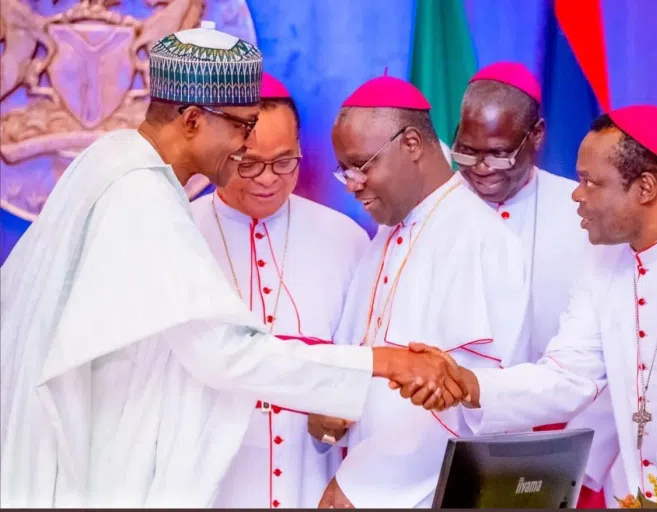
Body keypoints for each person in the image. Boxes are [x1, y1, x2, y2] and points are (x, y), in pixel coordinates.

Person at [0, 26, 465, 508]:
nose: (245, 146)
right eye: (242, 126)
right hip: (107, 457)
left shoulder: (115, 164)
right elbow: (224, 353)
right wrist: (385, 362)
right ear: (194, 120)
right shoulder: (138, 193)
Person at [399, 104, 657, 503]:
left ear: (645, 188)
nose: (576, 194)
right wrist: (468, 384)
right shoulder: (607, 258)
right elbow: (569, 374)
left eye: (591, 182)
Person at [313, 75, 532, 509]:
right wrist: (325, 414)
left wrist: (363, 485)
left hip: (425, 494)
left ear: (411, 143)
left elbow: (465, 400)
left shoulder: (477, 237)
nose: (352, 183)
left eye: (362, 164)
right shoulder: (388, 233)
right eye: (345, 171)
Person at [189, 72, 371, 509]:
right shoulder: (181, 237)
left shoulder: (345, 239)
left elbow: (361, 368)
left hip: (312, 481)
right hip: (210, 487)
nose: (267, 179)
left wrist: (339, 415)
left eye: (284, 161)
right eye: (248, 163)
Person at [453, 61, 624, 506]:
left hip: (565, 450)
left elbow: (610, 354)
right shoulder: (434, 213)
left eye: (499, 153)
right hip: (452, 441)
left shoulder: (584, 215)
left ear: (538, 135)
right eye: (467, 152)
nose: (482, 169)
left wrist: (578, 462)